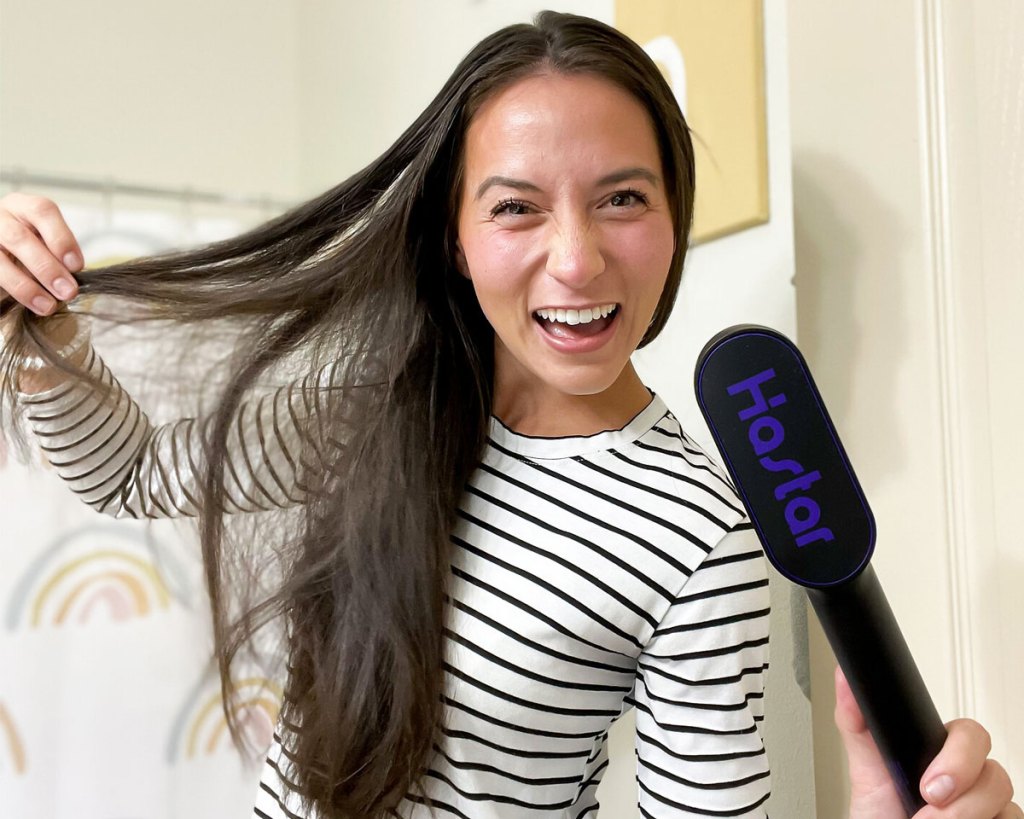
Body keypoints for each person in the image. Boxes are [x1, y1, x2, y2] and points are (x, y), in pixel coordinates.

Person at [0, 11, 1016, 819]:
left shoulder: (698, 535)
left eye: (622, 198)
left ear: (673, 219)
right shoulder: (370, 413)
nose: (575, 259)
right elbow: (129, 475)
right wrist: (35, 327)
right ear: (454, 237)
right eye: (516, 206)